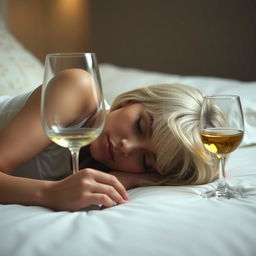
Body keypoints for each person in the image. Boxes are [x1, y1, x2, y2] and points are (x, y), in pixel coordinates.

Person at [0, 69, 217, 211]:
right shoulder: (78, 89)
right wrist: (48, 193)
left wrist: (137, 178)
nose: (127, 147)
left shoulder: (106, 166)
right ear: (131, 101)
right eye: (140, 126)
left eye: (145, 160)